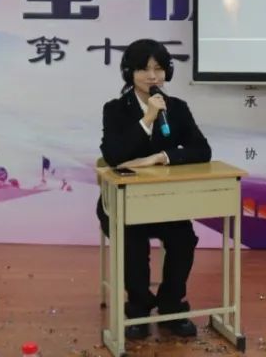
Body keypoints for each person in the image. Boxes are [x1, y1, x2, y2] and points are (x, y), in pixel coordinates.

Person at [96, 38, 211, 339]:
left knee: (184, 238)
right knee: (133, 243)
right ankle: (138, 309)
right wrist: (147, 118)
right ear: (129, 73)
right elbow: (114, 155)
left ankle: (172, 305)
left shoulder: (177, 108)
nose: (152, 76)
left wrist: (161, 157)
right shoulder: (115, 109)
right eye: (143, 69)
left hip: (164, 201)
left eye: (158, 69)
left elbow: (202, 150)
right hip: (121, 202)